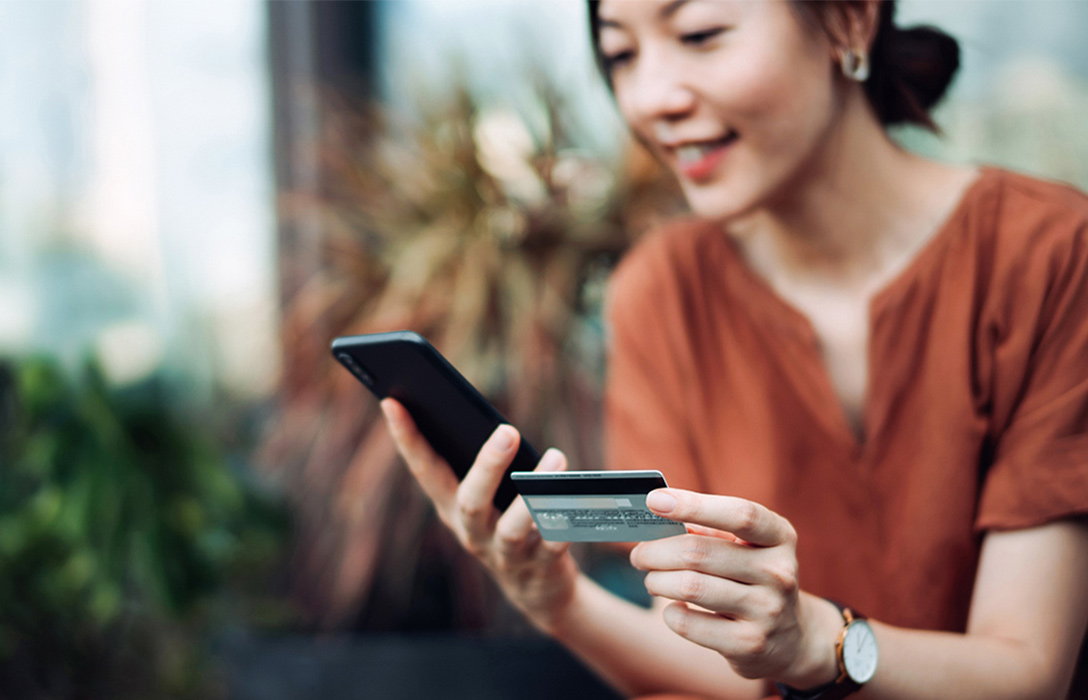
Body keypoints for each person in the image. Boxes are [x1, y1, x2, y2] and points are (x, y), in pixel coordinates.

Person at [380, 1, 1088, 697]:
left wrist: (818, 642)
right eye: (622, 54)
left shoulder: (1051, 255)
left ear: (849, 20)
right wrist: (558, 602)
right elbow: (714, 660)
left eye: (700, 34)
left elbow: (1026, 671)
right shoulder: (661, 289)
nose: (652, 97)